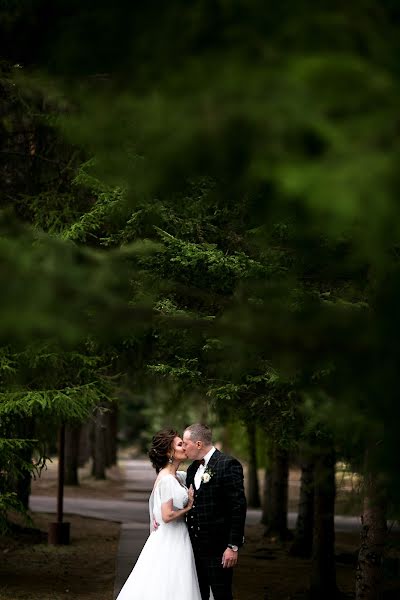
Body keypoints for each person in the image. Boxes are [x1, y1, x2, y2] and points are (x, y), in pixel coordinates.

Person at [115, 429, 202, 600]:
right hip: (172, 537)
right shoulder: (168, 479)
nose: (184, 447)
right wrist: (188, 507)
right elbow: (167, 515)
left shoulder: (177, 476)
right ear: (169, 452)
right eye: (180, 444)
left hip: (176, 535)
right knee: (170, 581)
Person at [183, 423, 247, 600]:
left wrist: (232, 546)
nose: (183, 447)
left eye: (186, 443)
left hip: (218, 548)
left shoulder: (228, 464)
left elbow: (238, 507)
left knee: (221, 594)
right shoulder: (192, 469)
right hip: (194, 547)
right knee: (199, 594)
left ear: (198, 444)